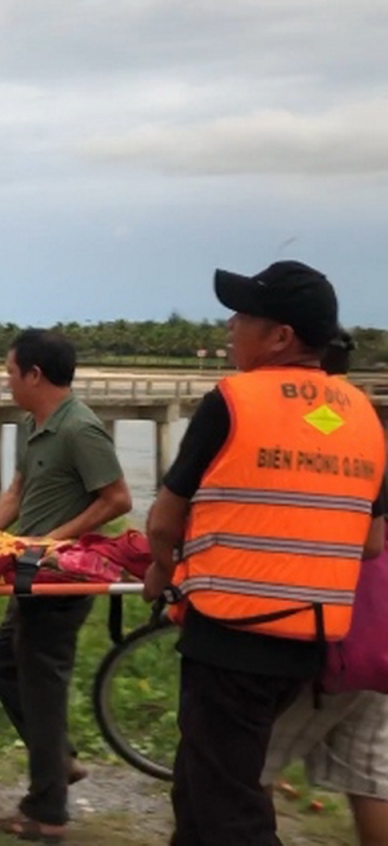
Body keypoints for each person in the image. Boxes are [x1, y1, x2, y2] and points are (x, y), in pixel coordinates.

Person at [143, 261, 385, 846]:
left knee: (230, 806)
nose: (230, 324)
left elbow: (164, 518)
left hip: (231, 633)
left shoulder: (233, 400)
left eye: (244, 315)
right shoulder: (362, 414)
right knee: (202, 784)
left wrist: (162, 570)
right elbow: (373, 541)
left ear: (280, 336)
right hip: (311, 639)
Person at [0, 328, 132, 842]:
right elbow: (17, 492)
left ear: (34, 374)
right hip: (29, 572)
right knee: (3, 660)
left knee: (42, 688)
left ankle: (47, 813)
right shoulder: (35, 425)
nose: (6, 381)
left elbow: (117, 498)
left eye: (9, 372)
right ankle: (58, 759)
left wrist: (54, 540)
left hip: (61, 579)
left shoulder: (81, 429)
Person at [259, 329, 388, 846]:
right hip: (378, 633)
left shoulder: (299, 423)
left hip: (326, 632)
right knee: (370, 776)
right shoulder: (368, 422)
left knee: (246, 765)